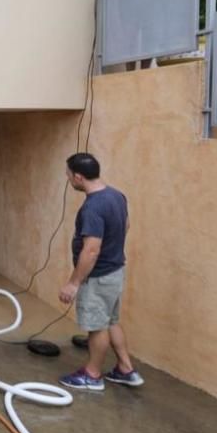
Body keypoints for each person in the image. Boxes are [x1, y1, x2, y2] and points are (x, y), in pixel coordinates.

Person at [57, 153, 144, 391]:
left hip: (97, 277)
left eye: (68, 176)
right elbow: (125, 225)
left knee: (97, 326)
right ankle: (126, 369)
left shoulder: (93, 207)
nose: (68, 180)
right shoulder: (116, 196)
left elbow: (91, 250)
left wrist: (74, 283)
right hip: (115, 272)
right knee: (111, 321)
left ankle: (92, 375)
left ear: (78, 176)